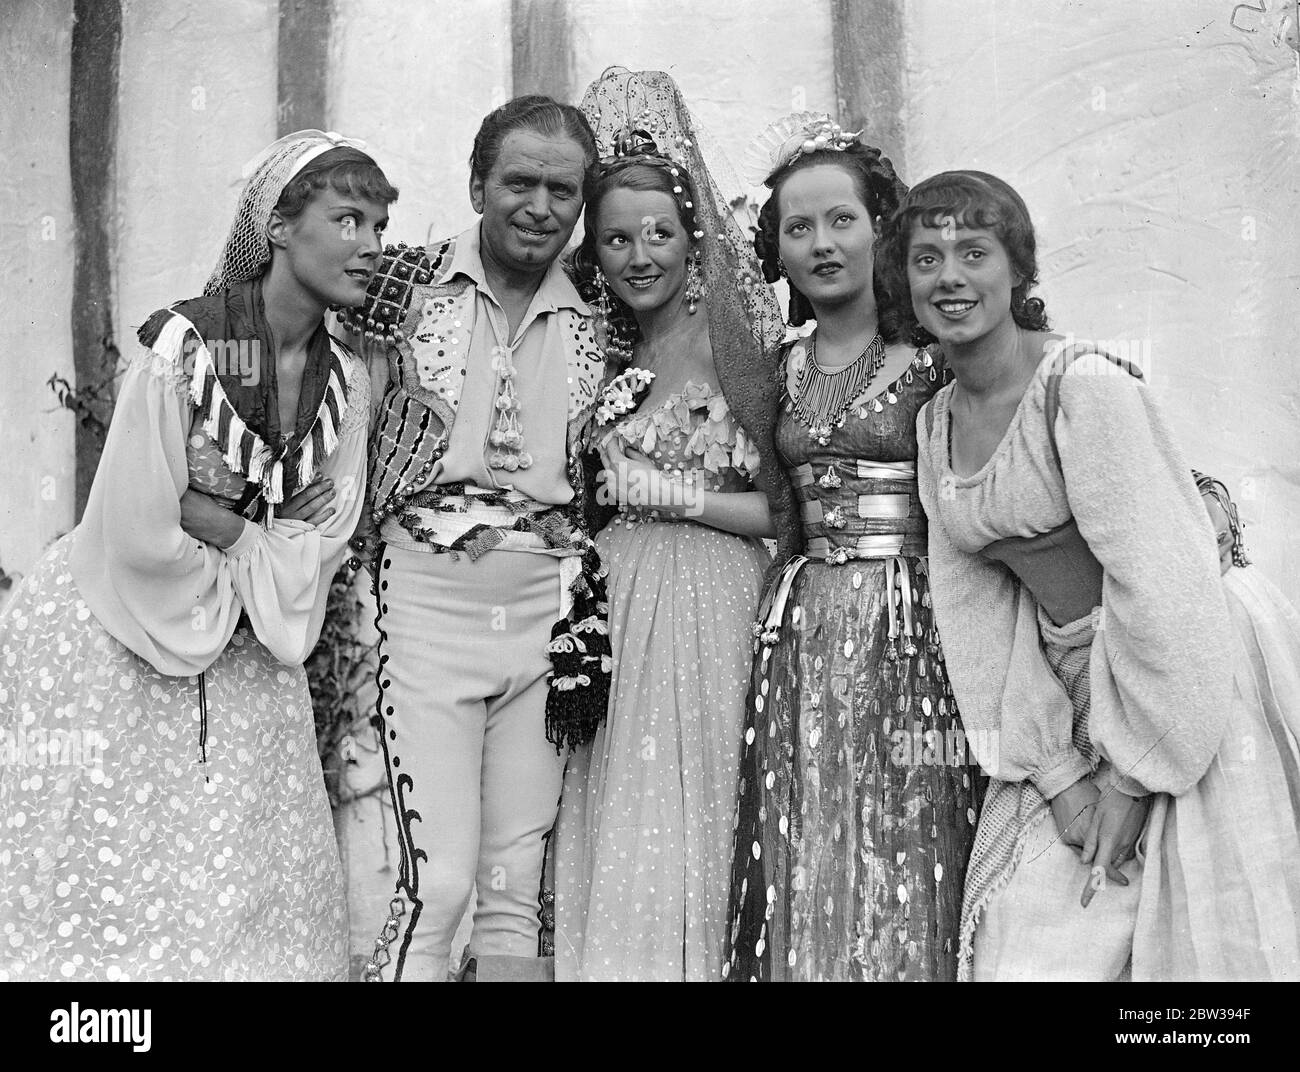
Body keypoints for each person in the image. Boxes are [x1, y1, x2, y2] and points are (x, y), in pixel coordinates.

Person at [0, 131, 394, 980]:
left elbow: (324, 529)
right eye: (348, 218)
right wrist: (259, 528)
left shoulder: (346, 383)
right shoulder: (190, 349)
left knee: (240, 860)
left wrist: (227, 523)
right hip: (115, 621)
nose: (370, 244)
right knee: (114, 855)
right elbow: (139, 515)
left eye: (379, 224)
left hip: (251, 637)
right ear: (281, 228)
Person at [896, 169, 1299, 980]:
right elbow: (973, 618)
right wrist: (1057, 771)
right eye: (926, 257)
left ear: (1017, 270)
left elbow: (1165, 587)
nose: (950, 277)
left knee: (1194, 951)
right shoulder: (935, 423)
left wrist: (1132, 772)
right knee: (1026, 943)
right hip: (1066, 683)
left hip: (1178, 679)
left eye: (974, 252)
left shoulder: (1083, 389)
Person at [345, 96, 610, 983]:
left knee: (514, 883)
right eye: (519, 183)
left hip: (549, 602)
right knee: (442, 880)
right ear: (476, 185)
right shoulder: (398, 284)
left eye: (561, 191)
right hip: (425, 592)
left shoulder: (606, 312)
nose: (540, 207)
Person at [725, 114, 979, 982]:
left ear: (882, 226)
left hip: (914, 629)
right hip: (797, 632)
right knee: (809, 828)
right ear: (780, 249)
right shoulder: (777, 365)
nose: (823, 244)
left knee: (907, 828)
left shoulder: (938, 353)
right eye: (799, 227)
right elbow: (762, 498)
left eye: (843, 220)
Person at [551, 68, 792, 981]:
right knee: (615, 803)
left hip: (710, 597)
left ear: (696, 240)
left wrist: (672, 497)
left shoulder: (738, 342)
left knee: (697, 807)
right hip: (611, 601)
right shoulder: (602, 344)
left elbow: (784, 508)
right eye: (616, 239)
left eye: (659, 234)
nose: (639, 255)